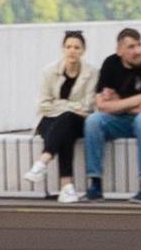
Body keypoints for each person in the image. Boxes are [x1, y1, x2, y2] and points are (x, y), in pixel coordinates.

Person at [85, 25, 141, 199]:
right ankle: (95, 184)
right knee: (94, 121)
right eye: (131, 47)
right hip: (125, 120)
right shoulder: (110, 64)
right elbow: (102, 105)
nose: (138, 50)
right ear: (119, 51)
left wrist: (119, 103)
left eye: (139, 45)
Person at [33, 30, 95, 202]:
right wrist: (70, 107)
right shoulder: (49, 71)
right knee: (64, 129)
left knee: (67, 119)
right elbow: (44, 104)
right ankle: (66, 187)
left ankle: (43, 161)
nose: (72, 51)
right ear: (63, 49)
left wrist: (61, 105)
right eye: (68, 47)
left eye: (76, 47)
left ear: (83, 50)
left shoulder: (92, 73)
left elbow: (88, 105)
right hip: (50, 119)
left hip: (78, 121)